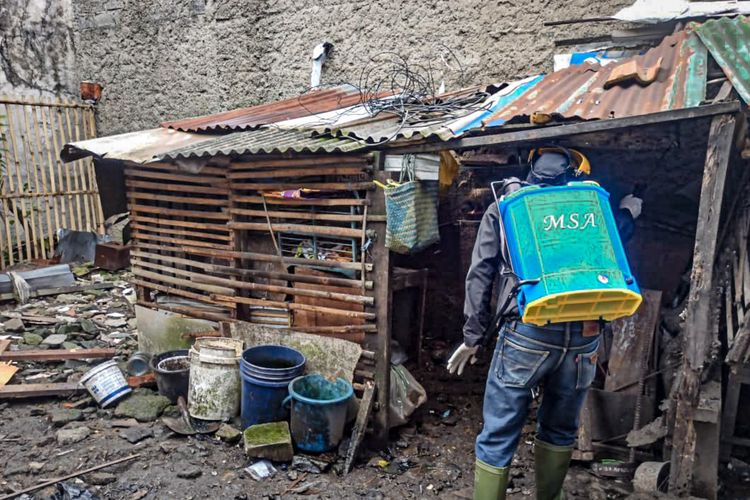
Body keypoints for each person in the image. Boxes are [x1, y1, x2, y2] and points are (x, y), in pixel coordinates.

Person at [447, 148, 643, 500]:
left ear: (531, 169)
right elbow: (615, 242)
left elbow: (480, 273)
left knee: (499, 430)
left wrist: (473, 336)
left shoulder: (508, 206)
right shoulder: (590, 207)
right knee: (560, 428)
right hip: (585, 336)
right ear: (577, 173)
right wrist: (629, 212)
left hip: (528, 330)